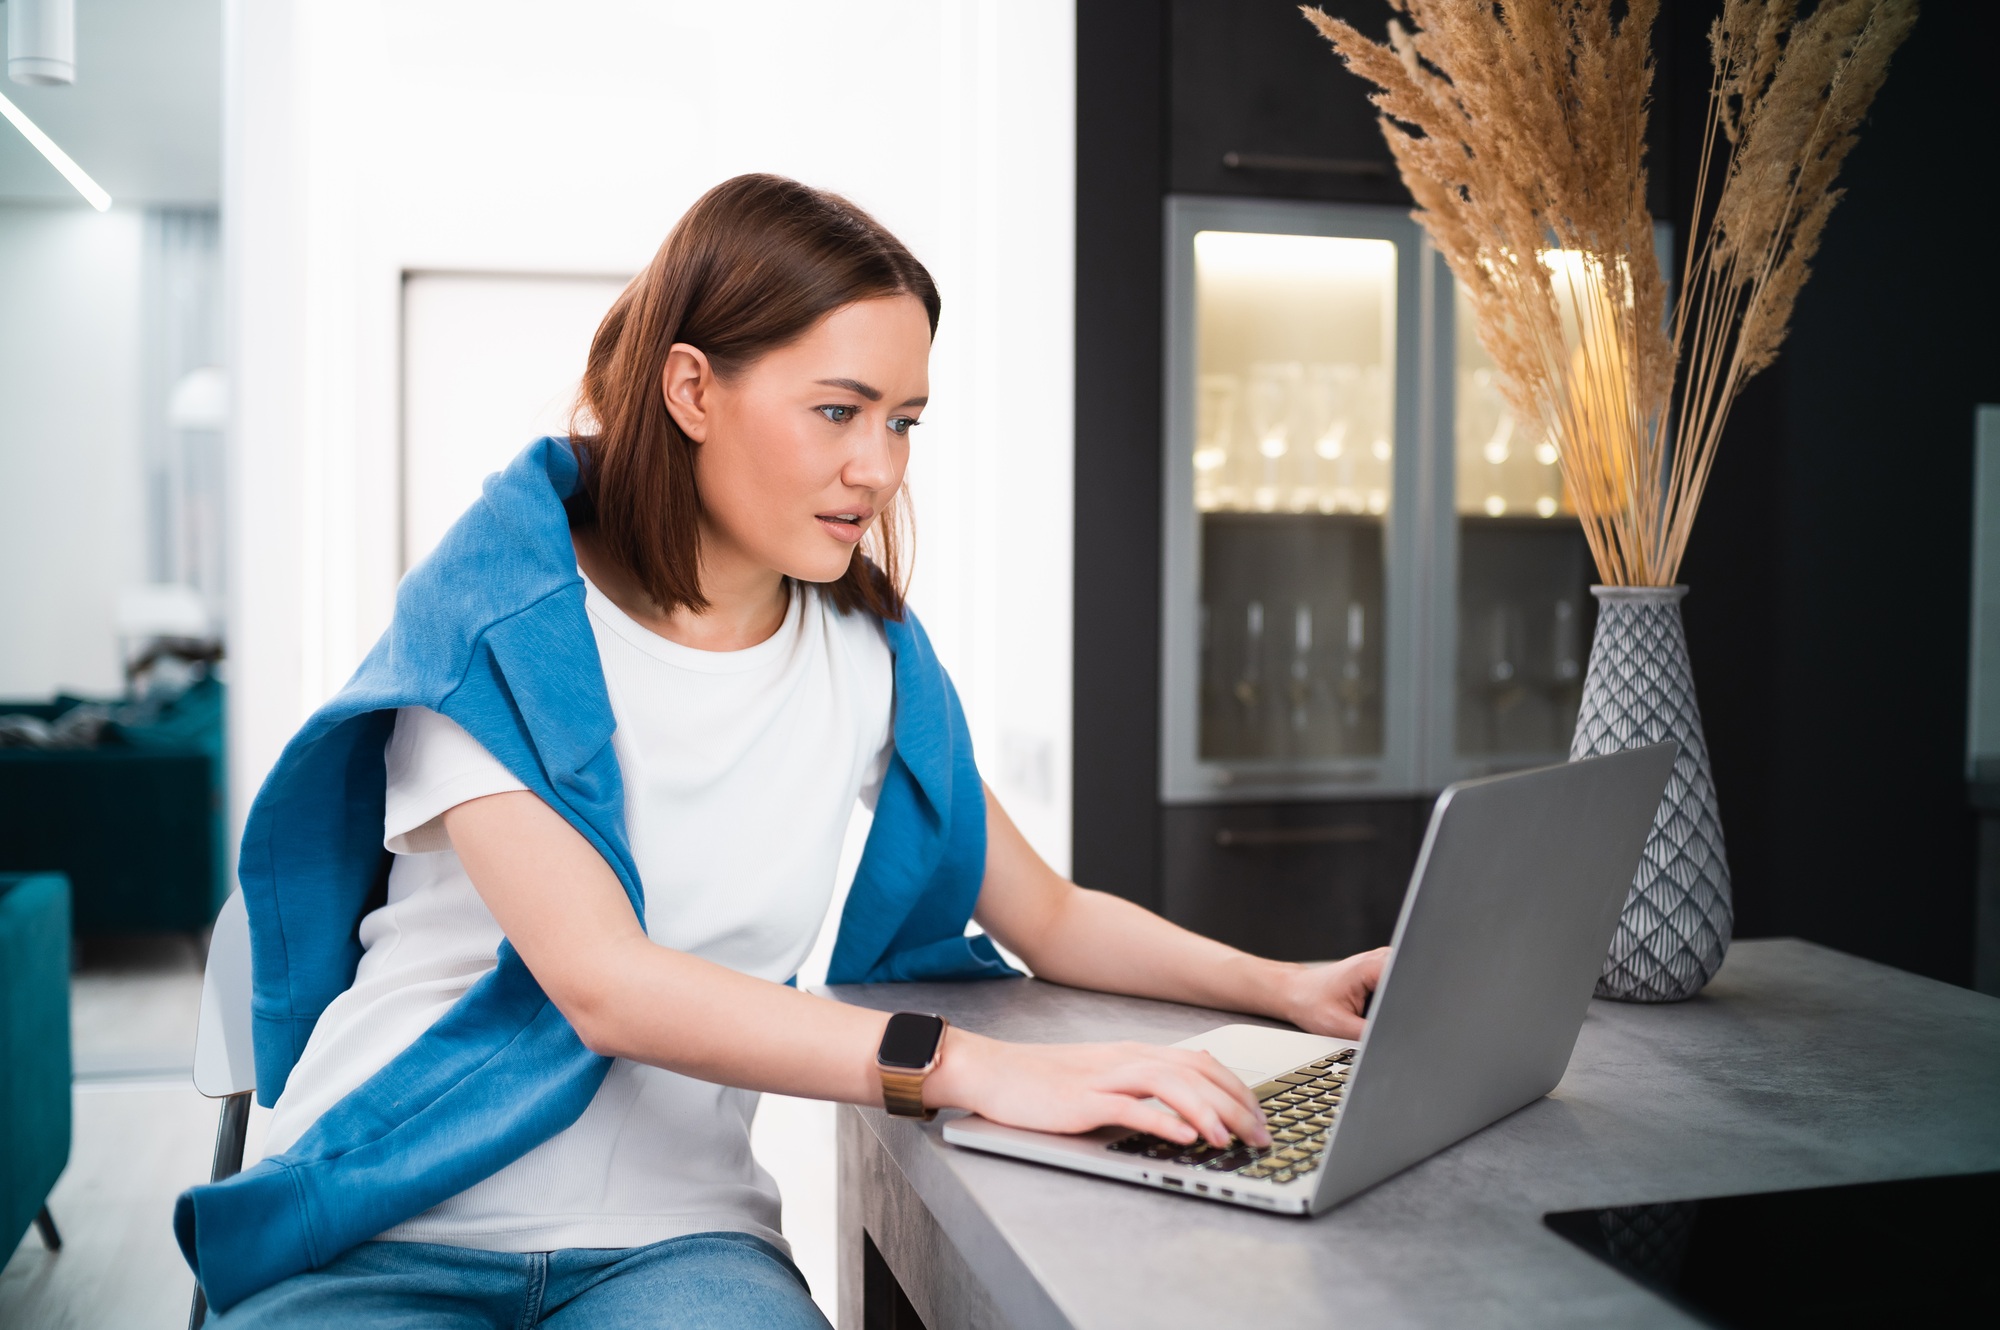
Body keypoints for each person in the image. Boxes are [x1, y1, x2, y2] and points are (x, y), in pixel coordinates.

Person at [187, 174, 1387, 1328]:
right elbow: (603, 982)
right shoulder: (500, 621)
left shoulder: (863, 658)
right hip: (392, 1225)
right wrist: (966, 1065)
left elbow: (1051, 915)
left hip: (673, 1236)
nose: (879, 467)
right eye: (837, 410)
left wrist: (1287, 987)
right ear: (693, 389)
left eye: (903, 420)